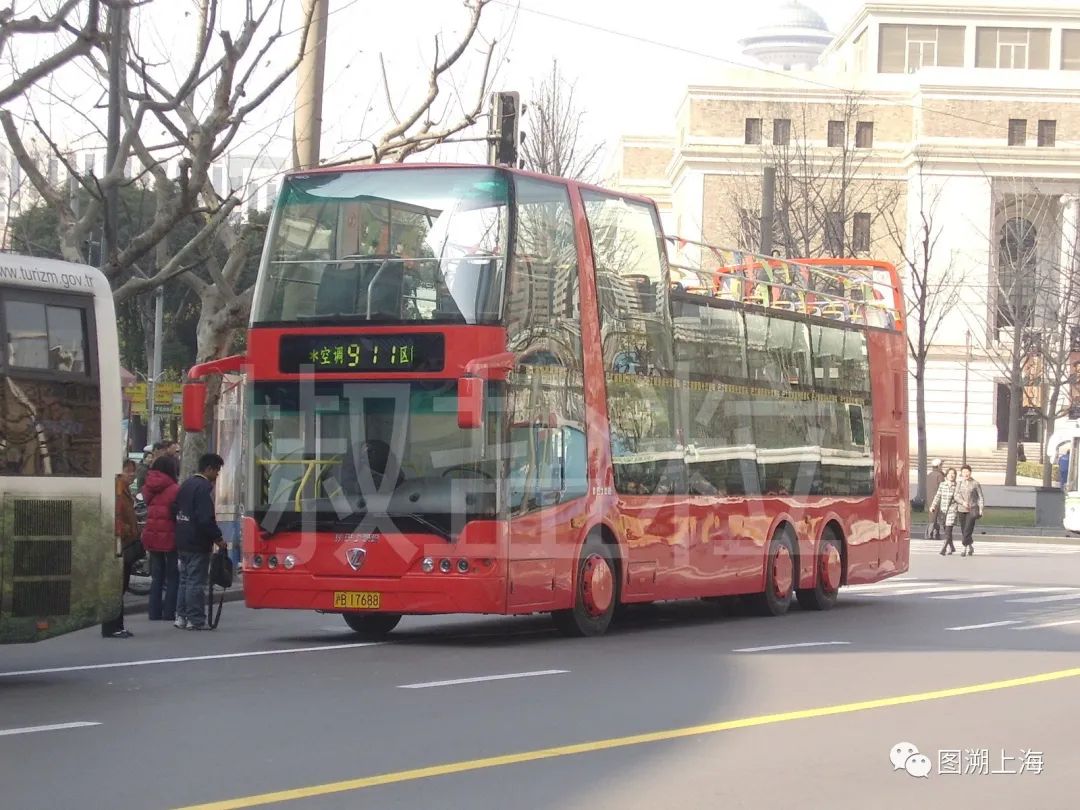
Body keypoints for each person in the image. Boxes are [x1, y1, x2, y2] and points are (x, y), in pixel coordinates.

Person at [173, 453, 227, 630]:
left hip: (182, 538)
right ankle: (195, 618)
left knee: (185, 580)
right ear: (209, 469)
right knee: (196, 581)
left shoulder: (186, 484)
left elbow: (174, 508)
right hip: (197, 541)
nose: (217, 475)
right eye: (217, 471)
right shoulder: (203, 488)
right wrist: (218, 538)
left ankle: (181, 616)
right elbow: (205, 519)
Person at [102, 459, 139, 638]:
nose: (132, 474)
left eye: (133, 471)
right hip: (118, 544)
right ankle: (112, 626)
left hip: (124, 543)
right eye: (128, 471)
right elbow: (113, 516)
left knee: (120, 586)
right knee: (117, 587)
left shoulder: (125, 491)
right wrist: (128, 529)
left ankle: (116, 625)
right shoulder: (117, 491)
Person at [142, 454, 180, 622]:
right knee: (172, 575)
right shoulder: (174, 488)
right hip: (170, 534)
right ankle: (169, 612)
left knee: (157, 576)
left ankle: (154, 611)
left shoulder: (147, 487)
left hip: (152, 534)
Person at [954, 464, 985, 557]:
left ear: (970, 472)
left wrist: (981, 508)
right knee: (964, 529)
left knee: (968, 528)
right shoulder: (959, 483)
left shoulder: (975, 483)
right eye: (964, 472)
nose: (966, 474)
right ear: (961, 473)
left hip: (972, 509)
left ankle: (964, 547)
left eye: (967, 472)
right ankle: (970, 545)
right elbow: (956, 495)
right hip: (962, 508)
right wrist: (962, 502)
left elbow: (980, 497)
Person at [930, 467, 959, 555]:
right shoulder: (942, 485)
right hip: (943, 511)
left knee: (948, 530)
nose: (951, 475)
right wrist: (933, 506)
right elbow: (938, 496)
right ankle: (952, 546)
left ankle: (944, 548)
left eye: (953, 474)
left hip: (952, 511)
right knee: (946, 529)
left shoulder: (957, 486)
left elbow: (959, 498)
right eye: (950, 473)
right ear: (946, 475)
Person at [926, 458, 945, 541]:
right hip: (937, 499)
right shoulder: (939, 475)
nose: (942, 466)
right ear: (938, 466)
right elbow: (942, 487)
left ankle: (933, 534)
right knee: (937, 517)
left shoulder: (929, 474)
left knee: (932, 516)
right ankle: (931, 533)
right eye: (941, 465)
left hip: (930, 498)